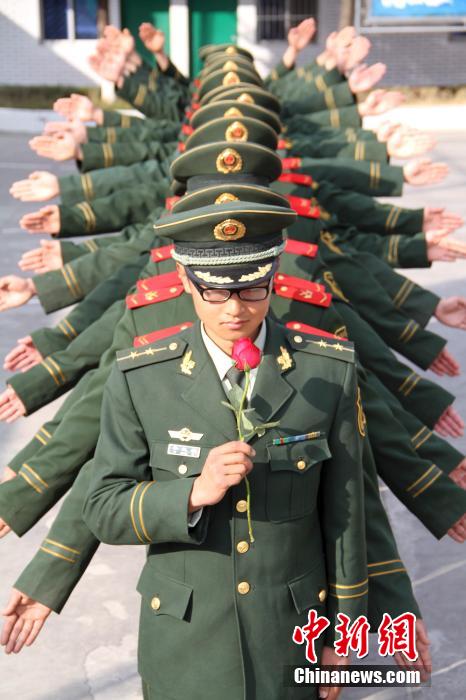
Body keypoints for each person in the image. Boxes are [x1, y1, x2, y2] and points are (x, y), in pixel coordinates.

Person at [82, 201, 367, 700]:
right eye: (213, 290)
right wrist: (193, 493)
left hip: (291, 634)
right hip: (186, 643)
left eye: (252, 288)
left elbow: (346, 513)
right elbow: (103, 507)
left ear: (274, 276)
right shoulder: (141, 377)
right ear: (185, 280)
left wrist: (344, 634)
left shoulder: (327, 371)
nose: (234, 308)